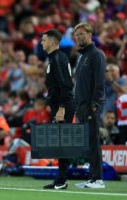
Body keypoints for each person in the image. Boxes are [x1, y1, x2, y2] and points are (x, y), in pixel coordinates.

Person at [41, 29, 75, 190]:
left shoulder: (57, 59)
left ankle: (62, 180)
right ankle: (60, 178)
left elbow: (66, 84)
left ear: (53, 42)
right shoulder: (55, 58)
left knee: (63, 143)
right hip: (59, 105)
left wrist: (61, 107)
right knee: (60, 143)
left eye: (44, 40)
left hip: (64, 105)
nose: (42, 42)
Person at [73, 22, 106, 189]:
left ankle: (98, 179)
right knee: (88, 143)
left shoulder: (96, 54)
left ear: (90, 34)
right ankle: (92, 177)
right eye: (77, 34)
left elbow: (100, 81)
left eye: (82, 33)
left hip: (90, 105)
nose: (79, 37)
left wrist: (96, 103)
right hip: (81, 106)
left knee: (93, 141)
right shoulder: (81, 56)